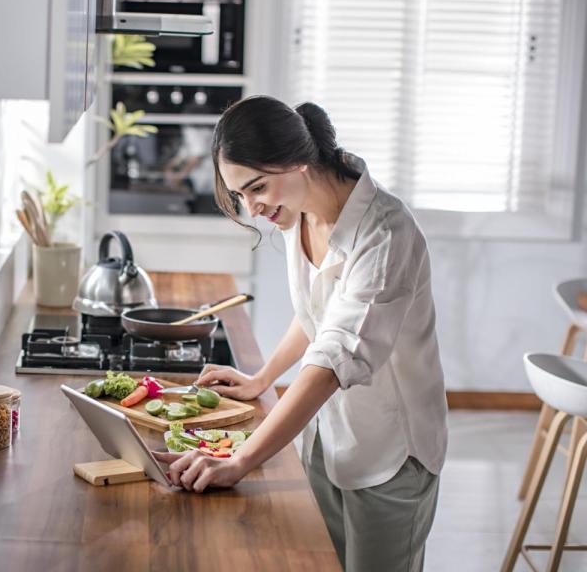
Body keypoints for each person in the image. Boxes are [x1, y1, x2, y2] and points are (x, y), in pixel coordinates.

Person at [154, 95, 448, 572]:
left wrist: (241, 460)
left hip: (392, 450)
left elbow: (333, 359)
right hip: (325, 436)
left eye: (256, 188)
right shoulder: (300, 209)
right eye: (241, 197)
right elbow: (319, 313)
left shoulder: (386, 235)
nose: (252, 208)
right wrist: (261, 379)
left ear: (297, 162)